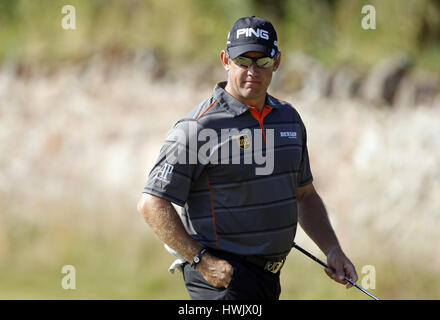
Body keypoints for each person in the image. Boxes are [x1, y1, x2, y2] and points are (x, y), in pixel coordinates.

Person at [137, 16, 358, 300]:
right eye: (243, 60)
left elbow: (304, 195)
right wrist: (200, 260)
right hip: (220, 280)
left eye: (262, 61)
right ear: (225, 60)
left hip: (269, 280)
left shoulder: (288, 119)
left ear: (276, 62)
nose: (253, 70)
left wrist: (332, 249)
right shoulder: (199, 127)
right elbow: (152, 203)